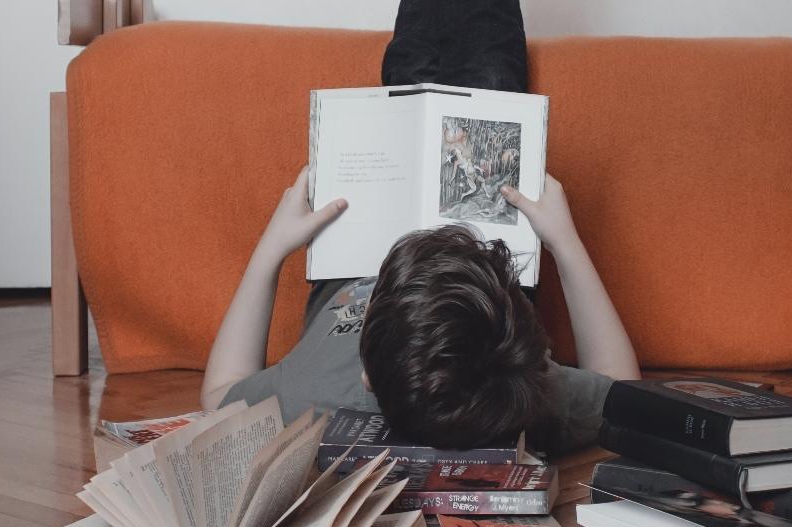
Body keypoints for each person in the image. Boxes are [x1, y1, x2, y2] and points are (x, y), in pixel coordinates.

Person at [199, 0, 640, 454]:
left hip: (366, 248)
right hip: (475, 276)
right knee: (489, 73)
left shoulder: (311, 397)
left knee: (412, 72)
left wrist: (271, 251)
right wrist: (564, 243)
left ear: (365, 377)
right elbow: (625, 393)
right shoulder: (519, 388)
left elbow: (218, 396)